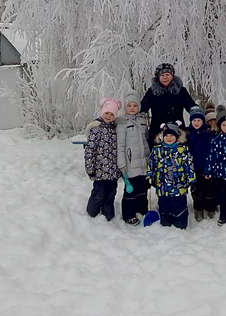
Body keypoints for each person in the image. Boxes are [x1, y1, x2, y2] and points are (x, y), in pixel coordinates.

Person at [147, 122, 196, 229]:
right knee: (164, 204)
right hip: (162, 185)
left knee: (178, 204)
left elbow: (189, 164)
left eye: (172, 135)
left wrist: (192, 178)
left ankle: (180, 221)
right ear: (162, 137)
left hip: (179, 185)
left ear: (177, 137)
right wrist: (150, 175)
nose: (169, 138)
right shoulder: (157, 149)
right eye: (166, 136)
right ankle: (166, 221)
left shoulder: (183, 150)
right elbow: (151, 163)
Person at [141, 63, 197, 147]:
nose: (165, 77)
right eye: (162, 75)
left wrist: (200, 116)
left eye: (167, 74)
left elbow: (191, 106)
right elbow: (142, 108)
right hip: (157, 132)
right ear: (158, 77)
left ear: (172, 76)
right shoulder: (152, 92)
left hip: (178, 132)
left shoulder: (181, 91)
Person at [84, 98, 122, 221]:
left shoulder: (116, 129)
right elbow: (90, 151)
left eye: (112, 114)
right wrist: (90, 169)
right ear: (102, 112)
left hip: (112, 172)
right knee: (99, 194)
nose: (109, 116)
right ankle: (92, 211)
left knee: (111, 193)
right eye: (107, 113)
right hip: (99, 171)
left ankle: (107, 211)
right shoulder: (96, 129)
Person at [117, 90, 150, 226]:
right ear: (125, 107)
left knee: (143, 188)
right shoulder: (122, 123)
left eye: (135, 106)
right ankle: (128, 214)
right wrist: (122, 164)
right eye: (129, 106)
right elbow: (120, 145)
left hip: (143, 161)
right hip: (130, 164)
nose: (132, 108)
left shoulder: (143, 121)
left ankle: (142, 209)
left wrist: (149, 159)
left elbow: (146, 140)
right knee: (131, 190)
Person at [187, 105, 216, 221]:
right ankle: (198, 209)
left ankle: (210, 208)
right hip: (194, 167)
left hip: (207, 167)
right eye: (194, 120)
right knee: (196, 190)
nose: (196, 123)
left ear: (203, 121)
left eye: (199, 120)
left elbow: (212, 150)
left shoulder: (208, 133)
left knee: (209, 189)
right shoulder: (188, 134)